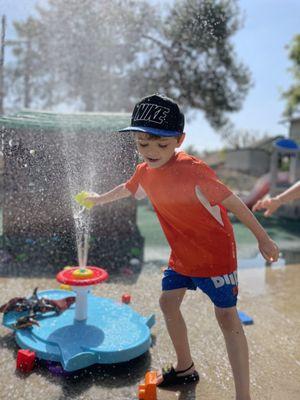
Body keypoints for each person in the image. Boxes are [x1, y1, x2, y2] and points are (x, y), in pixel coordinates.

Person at [85, 94, 279, 400]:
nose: (151, 151)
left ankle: (244, 396)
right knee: (168, 302)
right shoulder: (144, 172)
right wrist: (98, 200)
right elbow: (128, 188)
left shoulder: (195, 171)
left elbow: (235, 204)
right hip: (182, 256)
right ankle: (185, 367)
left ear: (179, 140)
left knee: (227, 318)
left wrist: (262, 238)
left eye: (161, 144)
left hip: (215, 257)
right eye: (142, 142)